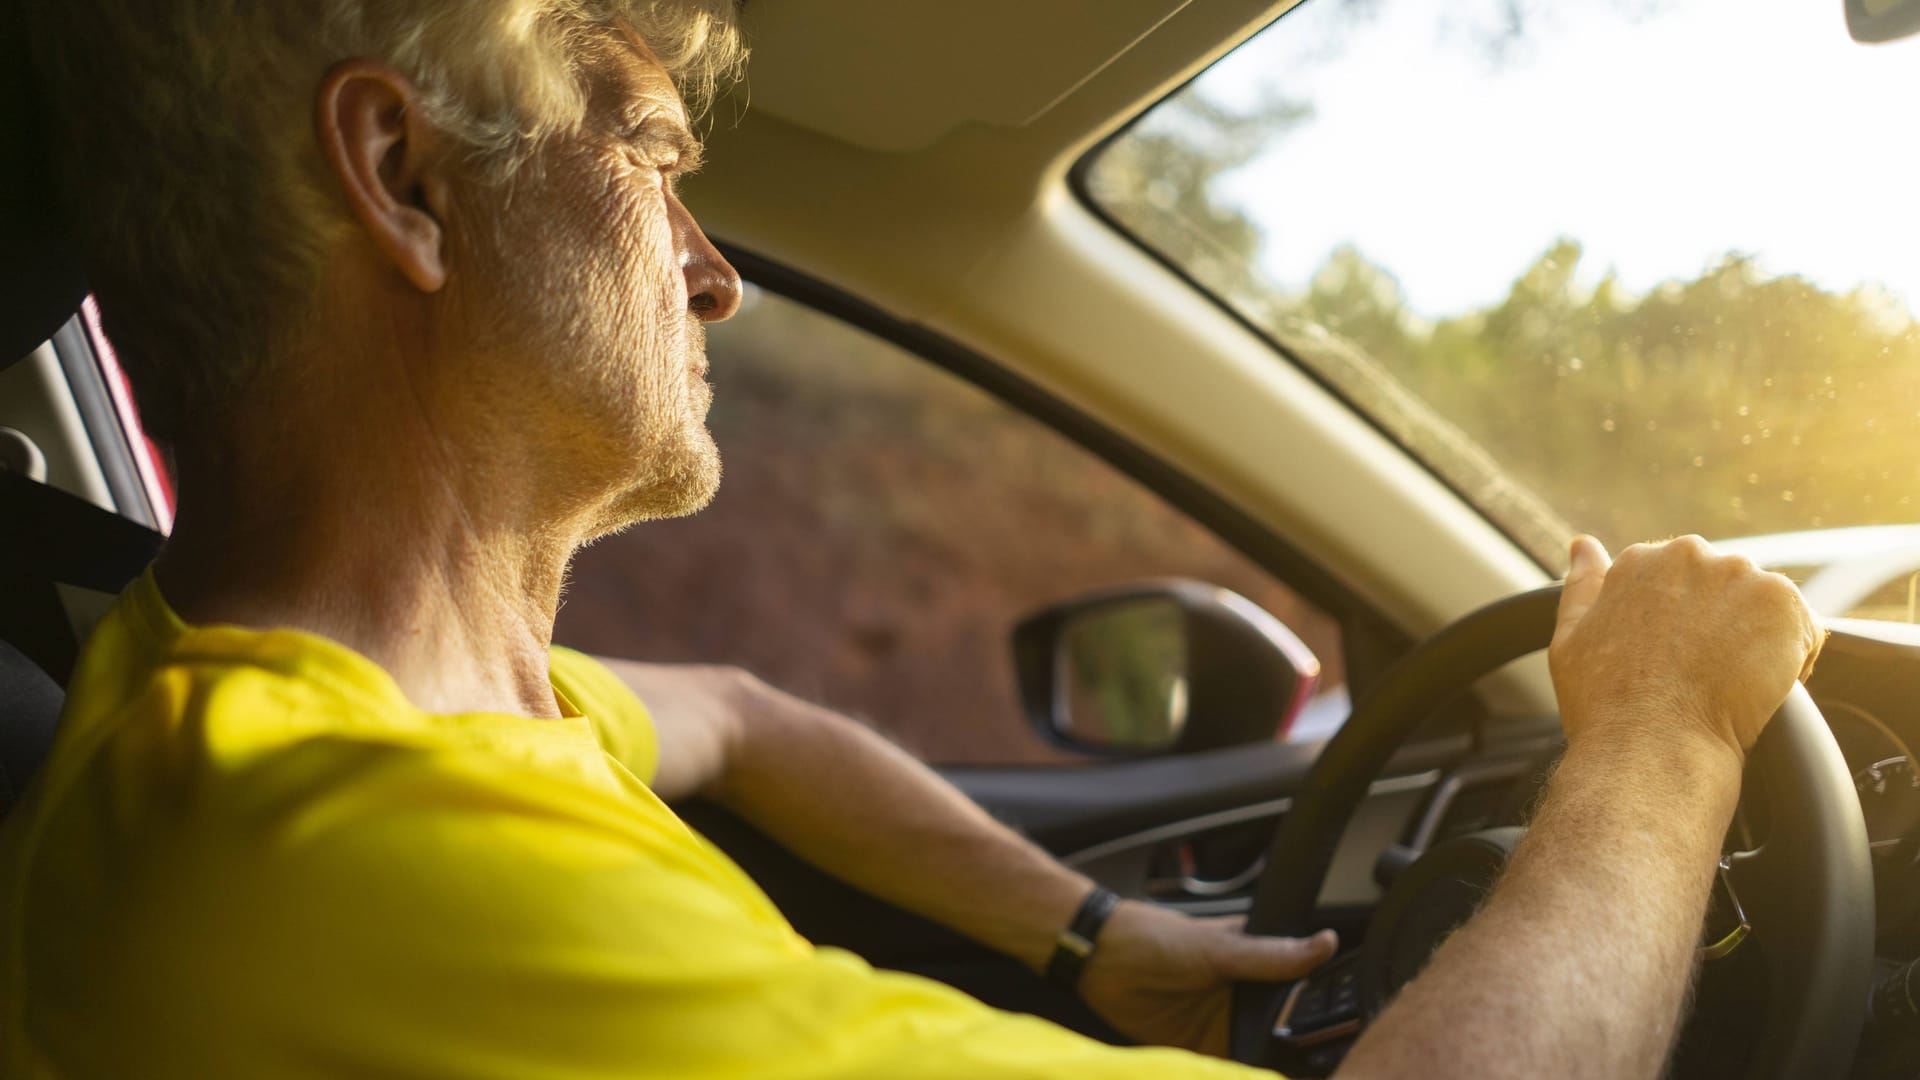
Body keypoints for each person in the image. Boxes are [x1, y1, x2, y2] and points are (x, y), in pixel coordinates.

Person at [0, 2, 1825, 1078]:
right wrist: (1666, 733)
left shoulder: (323, 710)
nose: (711, 276)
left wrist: (1089, 934)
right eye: (647, 159)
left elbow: (737, 709)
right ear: (402, 183)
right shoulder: (349, 869)